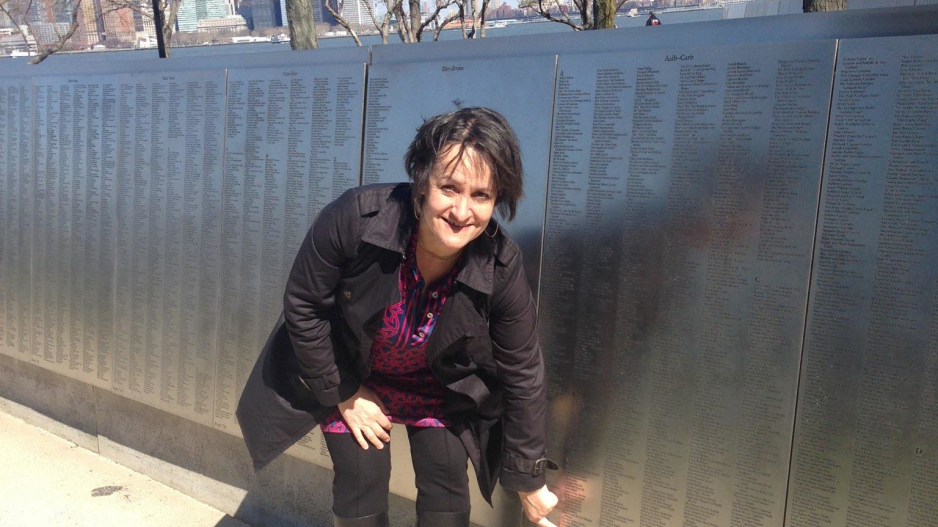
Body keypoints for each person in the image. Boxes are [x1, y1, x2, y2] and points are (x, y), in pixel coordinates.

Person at [236, 107, 558, 527]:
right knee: (361, 479)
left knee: (447, 485)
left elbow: (523, 368)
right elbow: (304, 304)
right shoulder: (355, 218)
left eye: (481, 196)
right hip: (353, 370)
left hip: (437, 385)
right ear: (422, 182)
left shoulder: (500, 263)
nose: (462, 211)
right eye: (449, 187)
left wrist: (529, 480)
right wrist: (345, 393)